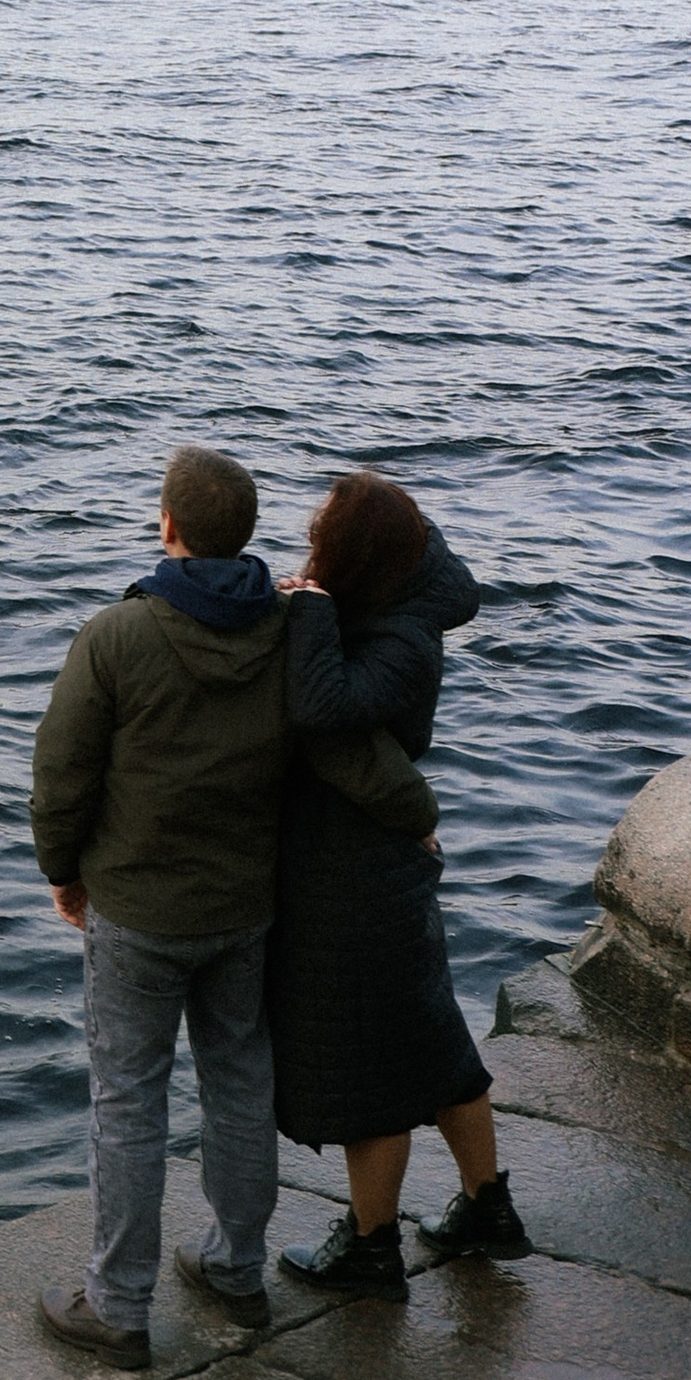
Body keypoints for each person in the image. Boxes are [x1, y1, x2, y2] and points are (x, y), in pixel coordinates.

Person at [28, 443, 440, 1369]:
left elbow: (60, 774)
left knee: (128, 1103)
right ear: (247, 534)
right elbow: (346, 751)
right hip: (244, 909)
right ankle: (236, 1268)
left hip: (136, 910)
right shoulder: (288, 630)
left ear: (168, 526)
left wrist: (64, 871)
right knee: (240, 1084)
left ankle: (119, 1306)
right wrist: (417, 814)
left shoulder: (117, 634)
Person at [272, 472, 524, 1297]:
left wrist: (308, 607)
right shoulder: (404, 599)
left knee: (365, 1066)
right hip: (388, 860)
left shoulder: (404, 643)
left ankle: (373, 1246)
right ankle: (488, 1207)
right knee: (433, 1040)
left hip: (356, 870)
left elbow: (320, 704)